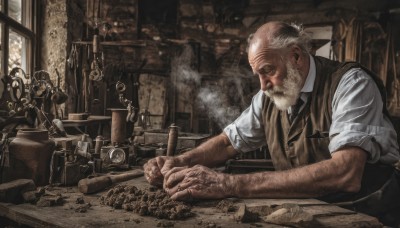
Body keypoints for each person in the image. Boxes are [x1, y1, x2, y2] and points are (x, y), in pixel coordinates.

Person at [144, 21, 400, 225]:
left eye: (268, 70)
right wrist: (178, 162)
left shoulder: (351, 85)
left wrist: (228, 184)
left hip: (366, 211)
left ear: (296, 57)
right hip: (311, 210)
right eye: (257, 74)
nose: (263, 85)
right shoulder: (268, 97)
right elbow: (227, 143)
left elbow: (346, 173)